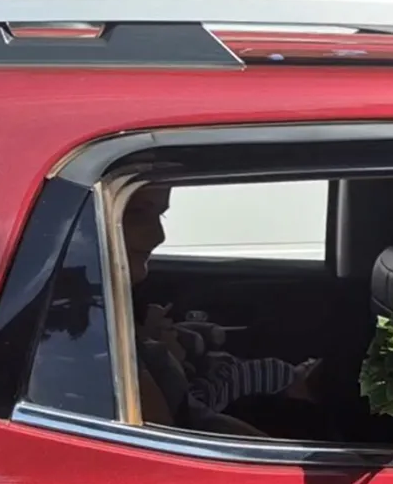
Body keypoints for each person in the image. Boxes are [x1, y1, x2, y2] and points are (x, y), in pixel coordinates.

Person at [122, 182, 320, 435]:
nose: (159, 235)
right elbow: (163, 443)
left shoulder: (118, 323)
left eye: (160, 214)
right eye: (138, 213)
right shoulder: (93, 340)